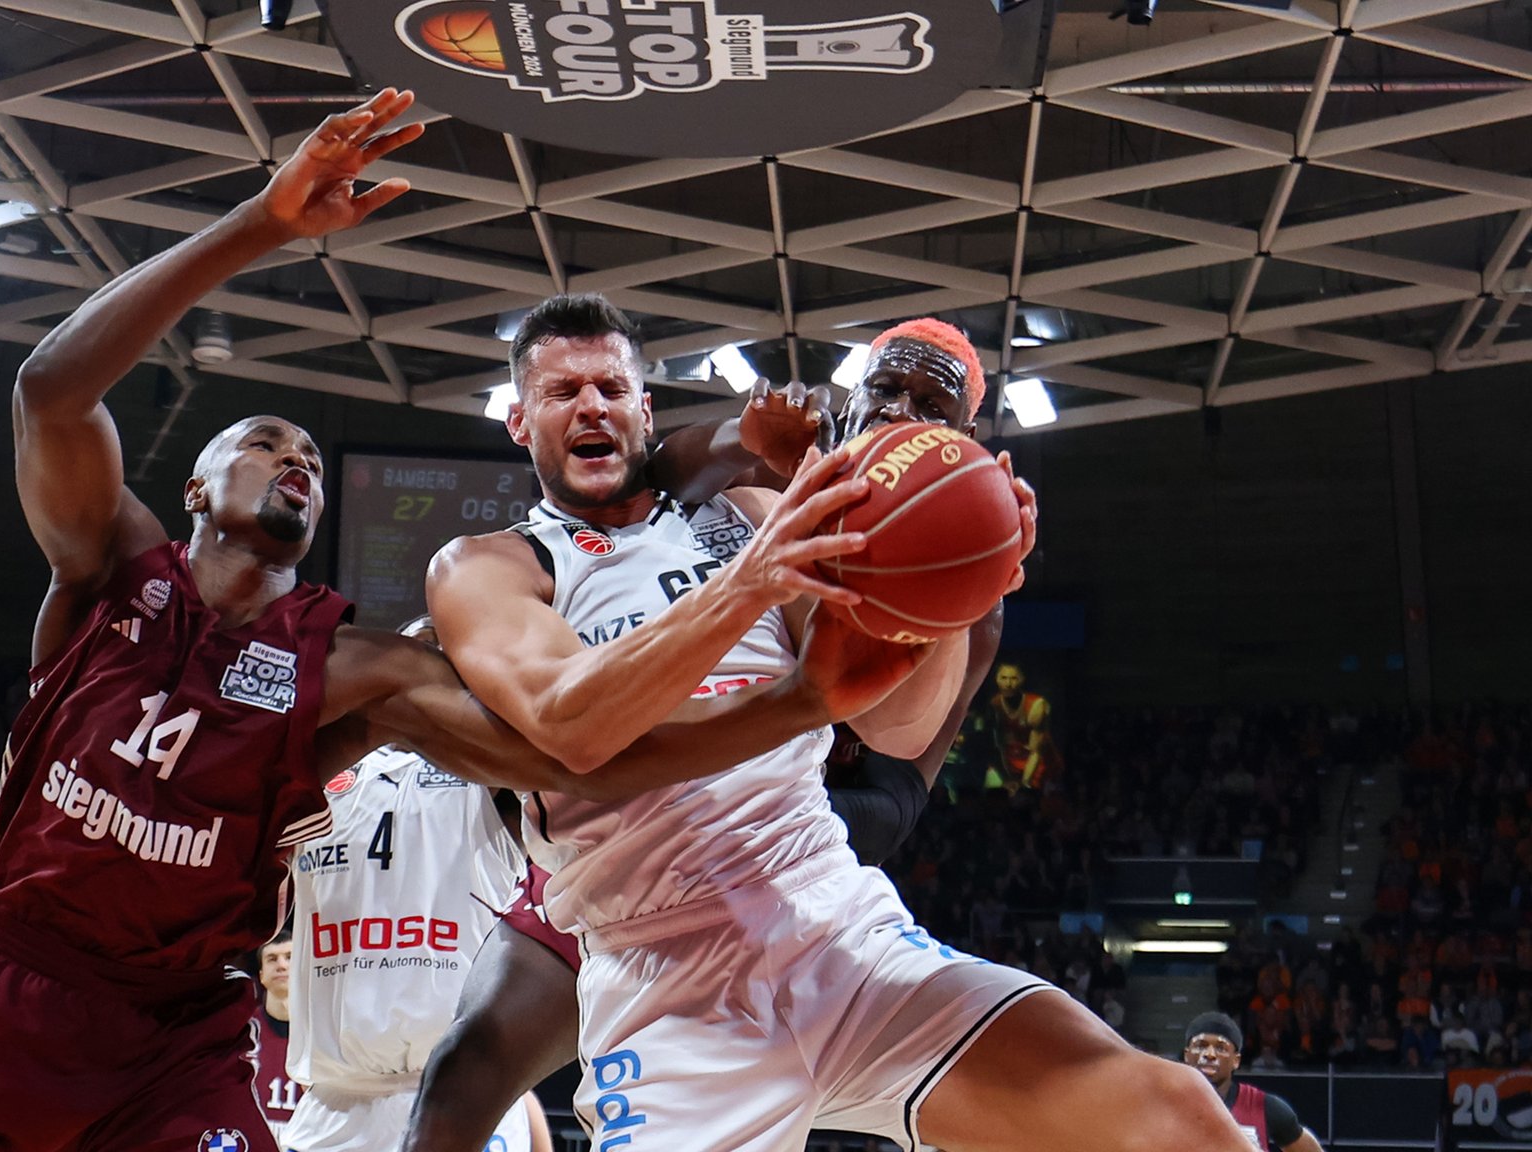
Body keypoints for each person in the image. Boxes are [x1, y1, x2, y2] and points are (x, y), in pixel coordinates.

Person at [0, 89, 919, 1152]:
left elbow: (578, 761)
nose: (298, 462)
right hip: (13, 991)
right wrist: (262, 226)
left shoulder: (353, 668)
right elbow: (49, 389)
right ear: (192, 486)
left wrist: (800, 702)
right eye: (268, 441)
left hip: (178, 1042)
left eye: (312, 460)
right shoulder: (104, 574)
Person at [423, 302, 1246, 1152]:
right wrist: (747, 585)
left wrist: (949, 586)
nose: (591, 406)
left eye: (610, 387)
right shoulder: (489, 566)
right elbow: (571, 722)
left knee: (1172, 1116)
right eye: (563, 391)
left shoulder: (752, 510)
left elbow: (893, 728)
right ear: (521, 420)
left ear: (644, 410)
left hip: (829, 915)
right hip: (664, 962)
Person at [401, 333, 1006, 1152]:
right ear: (851, 400)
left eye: (934, 410)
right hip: (635, 868)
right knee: (463, 1076)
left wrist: (938, 598)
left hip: (834, 816)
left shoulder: (970, 567)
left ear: (966, 437)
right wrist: (746, 438)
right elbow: (667, 463)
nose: (901, 414)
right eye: (887, 391)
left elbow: (898, 741)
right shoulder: (769, 486)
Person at [283, 621, 548, 1152]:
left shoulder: (493, 773)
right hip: (336, 1104)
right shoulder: (316, 771)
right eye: (418, 653)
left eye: (447, 660)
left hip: (468, 1098)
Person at [1184, 1012, 1325, 1152]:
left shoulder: (1263, 1107)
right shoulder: (1165, 1105)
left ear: (1236, 1060)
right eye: (1201, 1045)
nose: (1209, 1054)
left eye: (1221, 1048)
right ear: (1187, 1055)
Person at [252, 935, 300, 1143]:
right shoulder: (241, 1030)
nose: (281, 965)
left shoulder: (324, 1030)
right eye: (272, 959)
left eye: (289, 957)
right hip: (254, 1139)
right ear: (261, 975)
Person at [987, 662, 1059, 790]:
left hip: (1040, 767)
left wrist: (1025, 783)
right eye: (1003, 678)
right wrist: (1007, 778)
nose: (1008, 684)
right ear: (996, 679)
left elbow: (1036, 751)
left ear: (1022, 680)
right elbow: (1001, 745)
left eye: (1013, 678)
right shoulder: (995, 704)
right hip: (1012, 765)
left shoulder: (1035, 706)